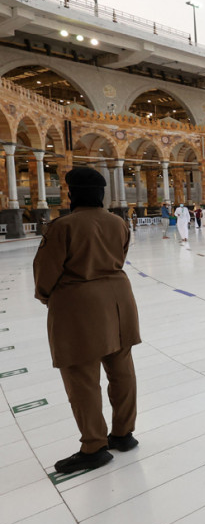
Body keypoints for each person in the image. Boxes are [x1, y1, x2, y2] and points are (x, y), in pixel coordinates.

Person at [33, 168, 141, 474]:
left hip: (79, 307)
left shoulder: (62, 226)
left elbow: (45, 274)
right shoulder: (118, 222)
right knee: (122, 371)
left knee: (82, 378)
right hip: (120, 302)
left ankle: (94, 446)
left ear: (72, 194)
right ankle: (123, 433)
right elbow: (120, 255)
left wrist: (45, 297)